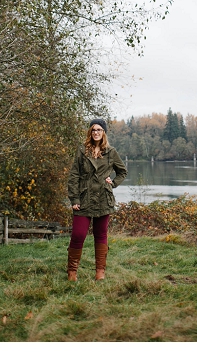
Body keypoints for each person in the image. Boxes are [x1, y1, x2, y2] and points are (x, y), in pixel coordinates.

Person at [66, 118, 127, 281]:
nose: (96, 132)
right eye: (93, 130)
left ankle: (100, 271)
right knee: (78, 234)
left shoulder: (111, 152)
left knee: (101, 234)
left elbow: (122, 172)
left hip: (103, 198)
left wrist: (112, 183)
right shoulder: (81, 151)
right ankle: (72, 271)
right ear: (90, 132)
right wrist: (74, 198)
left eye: (99, 129)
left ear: (104, 132)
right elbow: (73, 176)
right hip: (84, 198)